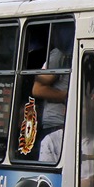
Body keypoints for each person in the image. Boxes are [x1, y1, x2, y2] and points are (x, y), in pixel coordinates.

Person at [33, 26, 71, 162]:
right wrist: (68, 97)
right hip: (56, 124)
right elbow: (37, 89)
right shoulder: (59, 56)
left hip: (73, 124)